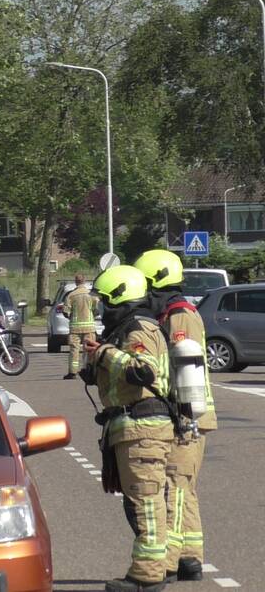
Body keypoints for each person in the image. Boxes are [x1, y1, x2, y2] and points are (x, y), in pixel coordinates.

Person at [82, 265, 172, 592]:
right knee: (137, 502)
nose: (102, 309)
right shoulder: (124, 331)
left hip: (143, 429)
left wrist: (106, 353)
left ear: (120, 298)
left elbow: (143, 373)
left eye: (105, 302)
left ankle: (147, 577)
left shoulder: (140, 330)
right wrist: (95, 360)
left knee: (146, 502)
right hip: (129, 428)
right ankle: (151, 569)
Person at [135, 249, 215, 583]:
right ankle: (189, 558)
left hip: (187, 416)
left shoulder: (179, 315)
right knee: (183, 487)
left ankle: (168, 562)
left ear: (156, 284)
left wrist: (185, 416)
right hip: (188, 415)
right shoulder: (173, 313)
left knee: (175, 488)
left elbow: (187, 367)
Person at [62, 274, 100, 380]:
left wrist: (71, 317)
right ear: (84, 281)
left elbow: (65, 312)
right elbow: (96, 310)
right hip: (89, 327)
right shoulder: (91, 295)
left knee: (74, 350)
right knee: (90, 350)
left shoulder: (71, 295)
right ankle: (90, 371)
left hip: (75, 328)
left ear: (76, 282)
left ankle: (73, 373)